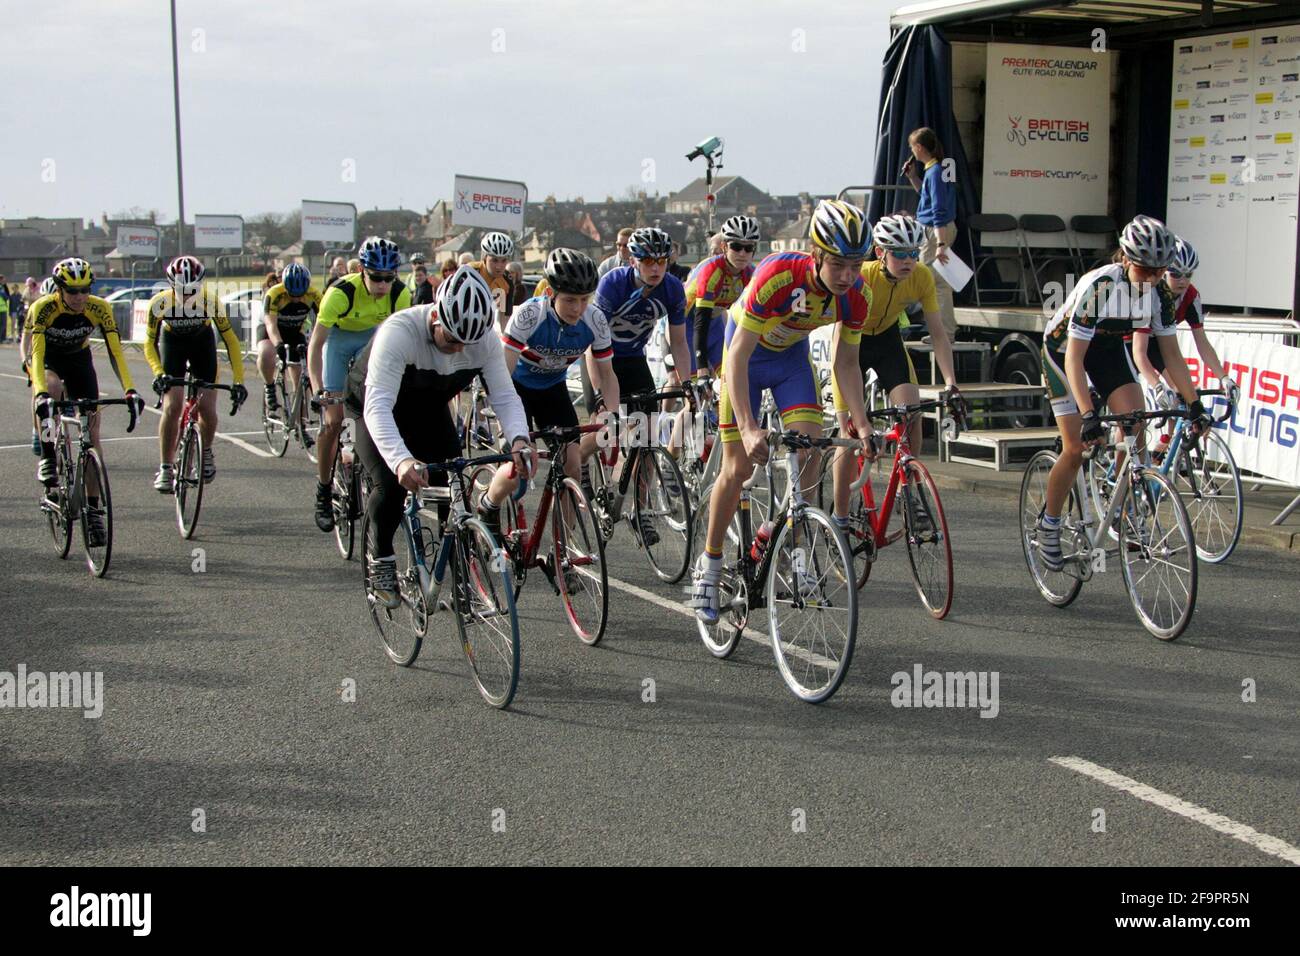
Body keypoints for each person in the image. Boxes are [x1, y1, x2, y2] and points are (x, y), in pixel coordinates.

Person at [691, 200, 874, 624]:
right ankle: (710, 565)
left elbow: (847, 363)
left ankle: (794, 551)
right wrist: (749, 428)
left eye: (855, 265)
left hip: (791, 361)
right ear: (816, 255)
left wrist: (862, 424)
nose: (847, 276)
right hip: (747, 359)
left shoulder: (857, 296)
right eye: (838, 264)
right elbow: (737, 357)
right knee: (738, 468)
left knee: (809, 450)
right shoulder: (778, 275)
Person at [345, 265, 534, 607]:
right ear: (435, 316)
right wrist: (401, 461)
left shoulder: (485, 341)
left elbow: (505, 396)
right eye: (451, 339)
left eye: (467, 343)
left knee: (455, 487)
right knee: (389, 485)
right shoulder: (400, 332)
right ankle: (382, 559)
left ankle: (462, 579)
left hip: (428, 406)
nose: (459, 349)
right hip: (373, 405)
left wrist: (520, 439)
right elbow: (377, 408)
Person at [1034, 216, 1211, 571]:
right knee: (1075, 447)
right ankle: (1049, 524)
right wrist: (1088, 414)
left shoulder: (1160, 294)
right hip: (1063, 352)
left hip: (1108, 350)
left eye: (1159, 271)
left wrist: (1194, 404)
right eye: (1146, 270)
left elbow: (1172, 355)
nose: (1153, 279)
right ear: (1127, 260)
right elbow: (1074, 358)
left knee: (1136, 423)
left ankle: (1122, 505)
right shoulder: (1102, 286)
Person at [827, 214, 964, 526]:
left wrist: (951, 383)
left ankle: (908, 491)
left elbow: (938, 334)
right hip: (852, 343)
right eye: (900, 254)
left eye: (914, 253)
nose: (909, 261)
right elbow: (841, 343)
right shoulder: (861, 278)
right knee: (847, 432)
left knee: (911, 413)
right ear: (880, 253)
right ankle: (840, 516)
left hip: (887, 340)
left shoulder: (922, 277)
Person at [482, 249, 621, 541]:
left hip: (553, 389)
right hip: (517, 389)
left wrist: (611, 414)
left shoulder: (595, 320)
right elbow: (503, 372)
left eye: (584, 299)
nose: (578, 308)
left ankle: (565, 545)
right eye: (570, 300)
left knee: (572, 463)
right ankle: (489, 503)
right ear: (550, 293)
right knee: (518, 466)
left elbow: (608, 375)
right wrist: (506, 421)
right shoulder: (529, 315)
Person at [27, 259, 144, 546]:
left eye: (85, 289)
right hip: (49, 360)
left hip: (80, 362)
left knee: (91, 436)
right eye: (72, 291)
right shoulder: (43, 308)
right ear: (59, 289)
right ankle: (48, 455)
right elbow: (37, 354)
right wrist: (40, 393)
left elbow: (116, 353)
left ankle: (93, 511)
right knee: (51, 389)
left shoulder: (99, 308)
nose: (80, 296)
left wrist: (130, 390)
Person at [309, 236, 411, 532]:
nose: (383, 285)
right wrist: (318, 390)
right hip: (340, 342)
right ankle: (324, 489)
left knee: (381, 408)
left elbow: (402, 343)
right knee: (333, 421)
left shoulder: (400, 294)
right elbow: (316, 345)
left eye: (389, 278)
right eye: (376, 278)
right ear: (361, 271)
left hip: (373, 339)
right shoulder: (340, 293)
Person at [145, 255, 248, 491]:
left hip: (202, 345)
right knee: (172, 407)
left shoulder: (210, 302)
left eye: (193, 290)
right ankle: (165, 467)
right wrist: (158, 373)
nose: (188, 295)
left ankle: (207, 451)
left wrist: (239, 380)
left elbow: (231, 341)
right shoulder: (160, 303)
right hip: (173, 344)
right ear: (171, 285)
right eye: (182, 290)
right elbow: (149, 343)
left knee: (207, 408)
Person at [1130, 236, 1238, 451]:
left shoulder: (1191, 295)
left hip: (1160, 344)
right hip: (1131, 343)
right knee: (1131, 412)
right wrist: (1156, 385)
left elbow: (1202, 343)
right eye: (1176, 274)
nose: (1183, 280)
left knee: (1182, 392)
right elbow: (1139, 352)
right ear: (1163, 272)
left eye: (1188, 275)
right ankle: (1123, 456)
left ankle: (1165, 446)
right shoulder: (1149, 294)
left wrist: (1224, 377)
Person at [903, 127, 958, 338]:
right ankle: (944, 331)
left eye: (912, 147)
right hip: (939, 229)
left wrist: (940, 244)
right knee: (939, 282)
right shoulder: (934, 170)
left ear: (918, 147)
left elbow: (938, 209)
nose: (912, 152)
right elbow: (928, 198)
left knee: (933, 281)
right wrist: (913, 177)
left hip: (935, 231)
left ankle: (943, 332)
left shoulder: (934, 172)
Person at [257, 263, 321, 422]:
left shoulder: (314, 294)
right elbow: (271, 325)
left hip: (294, 331)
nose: (296, 299)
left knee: (300, 376)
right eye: (292, 294)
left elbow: (323, 321)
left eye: (300, 295)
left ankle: (300, 423)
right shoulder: (274, 294)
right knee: (266, 352)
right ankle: (269, 386)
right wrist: (278, 345)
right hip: (271, 329)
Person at [471, 231, 517, 332]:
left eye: (503, 260)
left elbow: (505, 318)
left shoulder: (507, 281)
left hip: (486, 327)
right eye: (494, 260)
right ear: (485, 258)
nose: (499, 267)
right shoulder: (471, 272)